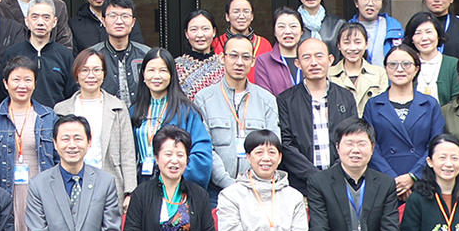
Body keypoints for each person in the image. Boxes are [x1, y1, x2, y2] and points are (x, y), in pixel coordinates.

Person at [0, 56, 59, 231]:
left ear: (35, 83)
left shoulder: (48, 116)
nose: (22, 85)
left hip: (40, 191)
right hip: (6, 192)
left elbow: (57, 158)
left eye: (28, 79)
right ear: (5, 83)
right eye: (16, 79)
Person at [195, 35, 281, 193]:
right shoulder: (204, 98)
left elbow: (272, 146)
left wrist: (254, 182)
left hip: (258, 187)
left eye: (246, 57)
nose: (239, 62)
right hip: (217, 190)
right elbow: (205, 147)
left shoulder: (266, 99)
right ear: (222, 58)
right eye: (233, 56)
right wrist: (228, 183)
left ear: (253, 61)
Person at [363, 45, 448, 198]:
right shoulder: (373, 105)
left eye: (406, 64)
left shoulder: (430, 104)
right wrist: (393, 180)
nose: (399, 69)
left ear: (416, 69)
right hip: (384, 183)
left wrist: (413, 176)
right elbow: (369, 146)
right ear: (386, 68)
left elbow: (436, 145)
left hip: (422, 181)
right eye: (393, 64)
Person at [275, 37, 358, 186]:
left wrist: (334, 174)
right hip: (301, 185)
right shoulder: (286, 100)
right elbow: (286, 144)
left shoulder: (346, 97)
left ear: (330, 60)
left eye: (319, 56)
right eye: (307, 57)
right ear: (298, 63)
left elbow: (352, 138)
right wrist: (315, 177)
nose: (314, 63)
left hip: (341, 182)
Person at [57, 46, 137, 198]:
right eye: (84, 70)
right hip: (71, 184)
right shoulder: (62, 110)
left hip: (109, 183)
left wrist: (130, 192)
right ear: (76, 74)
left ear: (104, 73)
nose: (91, 75)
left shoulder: (117, 107)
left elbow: (127, 153)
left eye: (96, 70)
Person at [131, 52, 214, 189]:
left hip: (176, 185)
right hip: (143, 185)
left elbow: (202, 155)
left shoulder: (186, 111)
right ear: (143, 74)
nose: (157, 76)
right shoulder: (134, 111)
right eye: (151, 70)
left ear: (172, 75)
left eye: (163, 70)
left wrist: (175, 178)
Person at [0, 0, 76, 107]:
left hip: (56, 115)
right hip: (19, 115)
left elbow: (72, 93)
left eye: (46, 17)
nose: (40, 22)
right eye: (35, 17)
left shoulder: (64, 54)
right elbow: (2, 91)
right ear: (26, 21)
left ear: (54, 22)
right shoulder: (13, 52)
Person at [90, 0, 152, 104]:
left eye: (125, 16)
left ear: (133, 22)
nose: (119, 21)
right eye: (113, 16)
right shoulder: (92, 56)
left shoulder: (146, 54)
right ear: (103, 21)